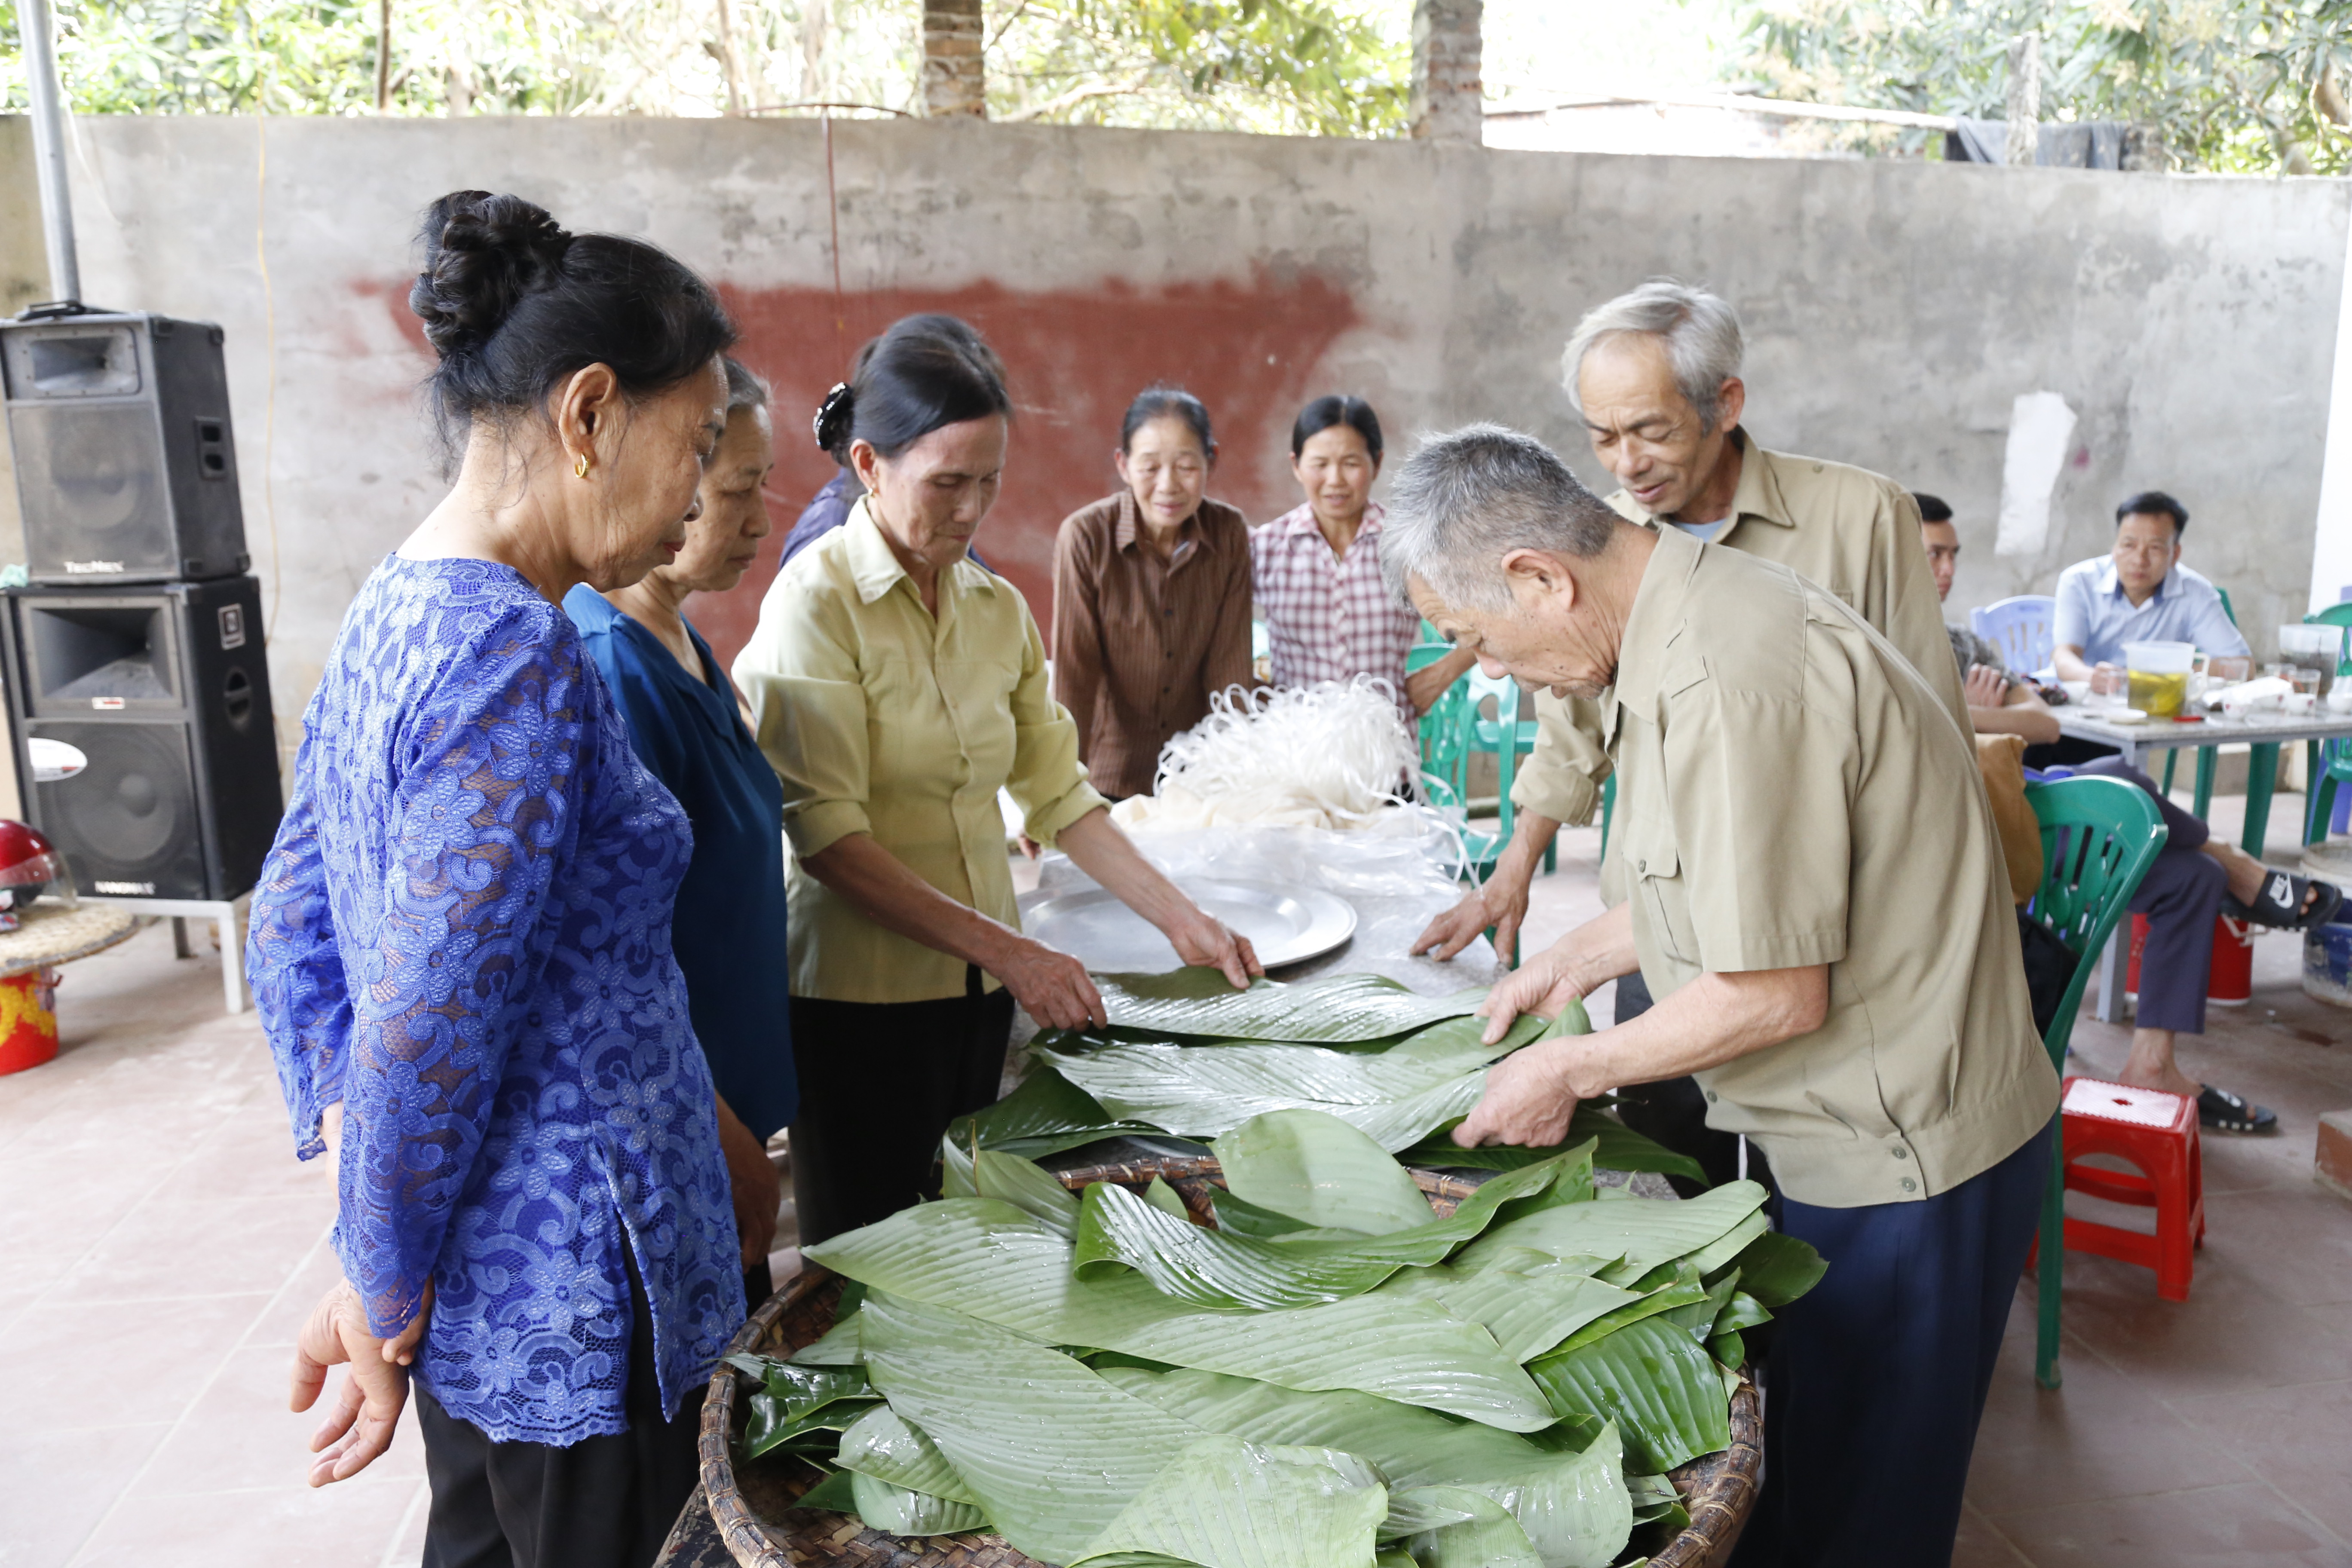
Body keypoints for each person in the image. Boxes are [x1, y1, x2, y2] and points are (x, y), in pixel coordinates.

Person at [1385, 424, 2057, 1568]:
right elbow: (1740, 888)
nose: (1488, 668)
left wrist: (1570, 1066)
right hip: (1851, 1124)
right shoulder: (1688, 615)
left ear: (1540, 580)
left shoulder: (1729, 679)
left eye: (1475, 638)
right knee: (1809, 1464)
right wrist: (1579, 958)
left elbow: (1773, 990)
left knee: (1865, 1518)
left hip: (1905, 1148)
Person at [248, 191, 742, 1567]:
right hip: (584, 1282)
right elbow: (424, 1026)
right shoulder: (513, 656)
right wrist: (375, 1287)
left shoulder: (396, 603)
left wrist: (385, 1261)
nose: (700, 496)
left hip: (487, 1287)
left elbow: (298, 922)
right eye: (694, 446)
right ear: (590, 413)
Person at [1413, 280, 1969, 1194]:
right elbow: (1573, 720)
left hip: (1825, 952)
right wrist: (1532, 879)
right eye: (1602, 437)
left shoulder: (1856, 520)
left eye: (1651, 430)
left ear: (1725, 405)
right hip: (1669, 912)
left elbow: (1923, 733)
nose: (1627, 462)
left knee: (1824, 1211)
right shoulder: (1602, 539)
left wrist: (1567, 1067)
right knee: (1685, 1176)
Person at [734, 314, 1261, 1246]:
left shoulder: (995, 609)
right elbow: (830, 845)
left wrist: (1183, 919)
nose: (972, 511)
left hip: (975, 1001)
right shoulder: (814, 605)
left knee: (968, 1243)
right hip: (856, 1009)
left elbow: (1057, 795)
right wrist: (1015, 953)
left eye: (989, 483)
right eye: (946, 484)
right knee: (868, 1255)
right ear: (867, 464)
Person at [565, 358, 796, 1299]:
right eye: (736, 488)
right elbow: (618, 958)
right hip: (681, 1132)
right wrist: (724, 1142)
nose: (760, 519)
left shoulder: (681, 634)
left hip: (725, 1115)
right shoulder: (612, 665)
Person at [1052, 386, 1254, 799]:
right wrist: (1060, 792)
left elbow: (1230, 673)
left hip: (1196, 783)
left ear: (1211, 461)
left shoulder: (1229, 534)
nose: (1168, 486)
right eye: (1150, 467)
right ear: (1123, 466)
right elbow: (1076, 675)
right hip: (1108, 779)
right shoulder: (1087, 538)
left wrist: (1236, 782)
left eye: (1185, 466)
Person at [1252, 395, 1477, 728]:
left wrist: (1441, 675)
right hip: (1293, 758)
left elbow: (1492, 614)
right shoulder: (1267, 547)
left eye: (1351, 463)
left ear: (1377, 462)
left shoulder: (1408, 544)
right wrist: (1251, 686)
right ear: (1296, 466)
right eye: (1320, 464)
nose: (1335, 480)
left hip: (1388, 756)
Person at [1916, 493, 2061, 746]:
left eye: (1953, 555)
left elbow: (2046, 724)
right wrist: (1973, 715)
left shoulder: (1963, 645)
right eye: (1935, 554)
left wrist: (1968, 715)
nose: (1949, 569)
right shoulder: (1870, 642)